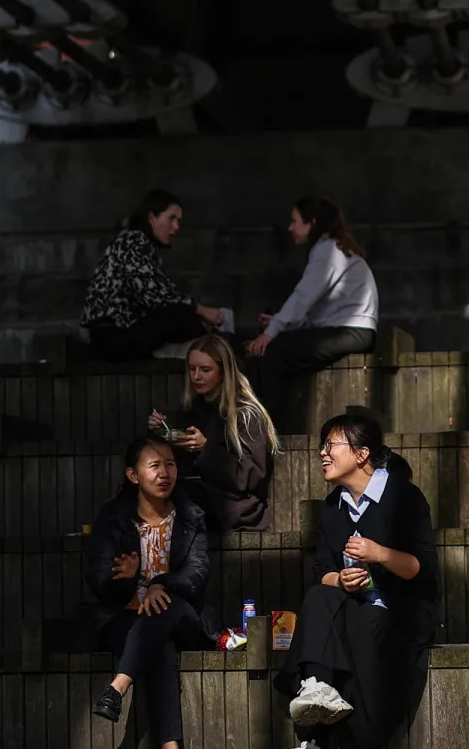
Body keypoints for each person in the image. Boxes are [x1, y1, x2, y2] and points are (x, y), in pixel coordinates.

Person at [280, 409, 440, 748]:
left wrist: (378, 554)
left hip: (400, 610)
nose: (322, 453)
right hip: (352, 606)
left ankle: (326, 739)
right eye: (322, 447)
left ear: (361, 453)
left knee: (364, 621)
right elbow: (321, 572)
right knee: (319, 597)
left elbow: (421, 570)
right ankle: (316, 687)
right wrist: (342, 580)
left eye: (331, 445)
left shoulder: (404, 497)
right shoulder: (331, 507)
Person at [82, 434, 216, 748]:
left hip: (182, 614)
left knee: (163, 608)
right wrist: (127, 580)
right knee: (161, 646)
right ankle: (171, 746)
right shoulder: (113, 518)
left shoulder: (191, 516)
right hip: (125, 617)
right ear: (133, 475)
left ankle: (118, 685)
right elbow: (99, 580)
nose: (164, 473)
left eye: (170, 464)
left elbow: (198, 572)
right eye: (154, 465)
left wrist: (159, 583)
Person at [246, 196, 379, 427]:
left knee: (274, 353)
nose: (290, 227)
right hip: (350, 330)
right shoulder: (331, 247)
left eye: (295, 221)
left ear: (311, 223)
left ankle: (272, 430)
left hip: (352, 332)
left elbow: (303, 298)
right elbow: (318, 310)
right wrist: (278, 322)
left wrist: (270, 333)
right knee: (277, 348)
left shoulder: (328, 250)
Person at [81, 191, 233, 361]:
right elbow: (157, 296)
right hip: (113, 336)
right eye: (171, 218)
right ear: (152, 218)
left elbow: (158, 294)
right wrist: (201, 311)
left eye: (179, 221)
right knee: (183, 316)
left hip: (116, 332)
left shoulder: (136, 242)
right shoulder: (133, 241)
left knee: (185, 315)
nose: (176, 227)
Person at [150, 336, 278, 532]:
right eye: (192, 369)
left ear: (223, 372)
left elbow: (251, 476)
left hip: (237, 509)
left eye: (205, 370)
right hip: (200, 502)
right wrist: (162, 433)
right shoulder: (191, 411)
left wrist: (206, 448)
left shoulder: (246, 413)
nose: (196, 376)